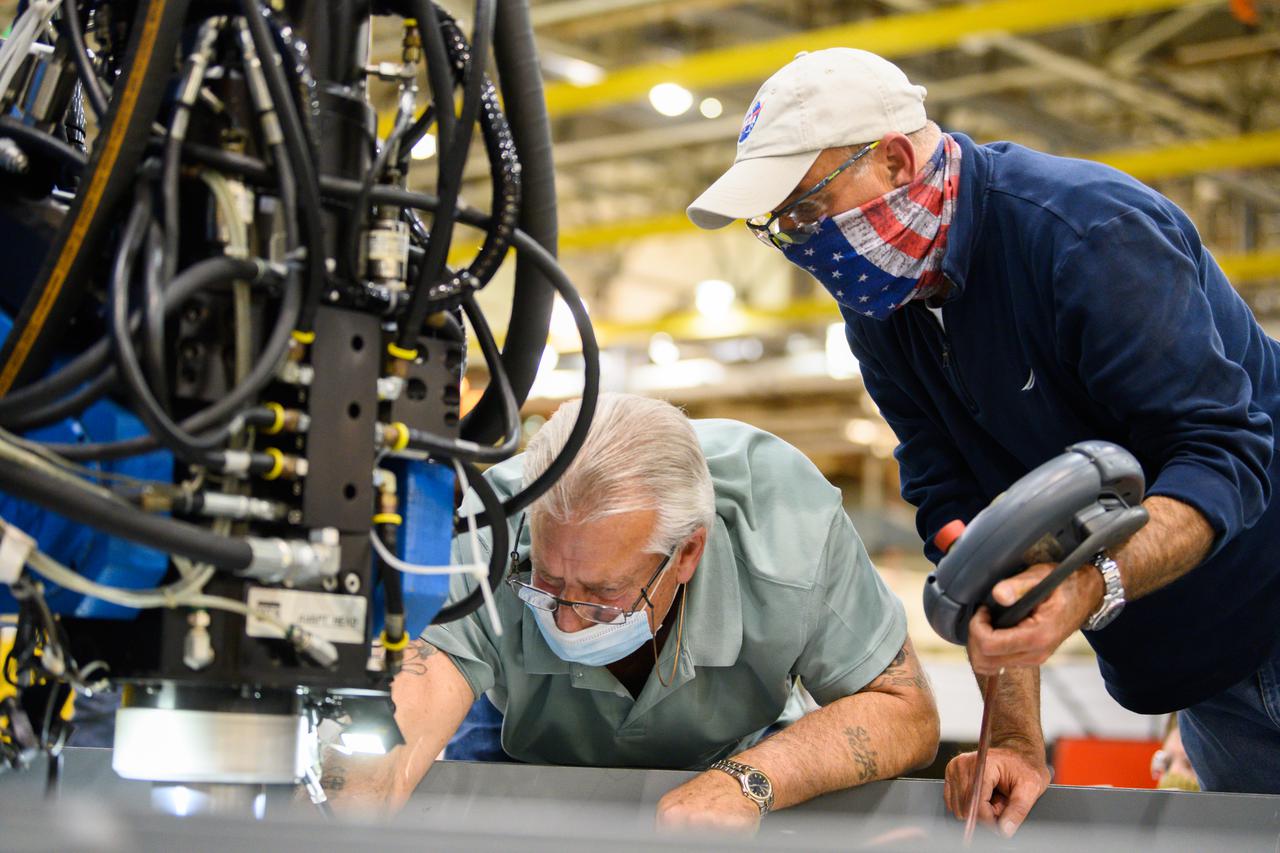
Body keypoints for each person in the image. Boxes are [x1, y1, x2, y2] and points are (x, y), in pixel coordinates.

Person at [688, 47, 1280, 834]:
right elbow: (963, 511)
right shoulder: (883, 309)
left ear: (896, 158)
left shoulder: (1086, 236)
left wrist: (1090, 582)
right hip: (1205, 666)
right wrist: (1011, 734)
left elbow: (1227, 457)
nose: (796, 242)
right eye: (776, 227)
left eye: (804, 208)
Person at [320, 393, 939, 830]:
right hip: (521, 733)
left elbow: (905, 713)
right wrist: (354, 799)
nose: (565, 621)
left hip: (737, 748)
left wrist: (748, 782)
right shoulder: (491, 527)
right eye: (547, 583)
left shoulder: (790, 532)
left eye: (600, 594)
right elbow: (405, 720)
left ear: (687, 553)